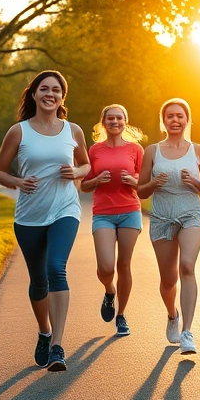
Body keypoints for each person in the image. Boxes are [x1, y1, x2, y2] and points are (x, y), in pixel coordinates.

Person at [0, 70, 90, 372]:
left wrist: (75, 172)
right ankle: (45, 332)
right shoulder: (19, 131)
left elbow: (86, 164)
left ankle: (58, 346)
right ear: (34, 94)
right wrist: (18, 183)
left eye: (57, 90)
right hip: (29, 216)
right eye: (45, 89)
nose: (51, 94)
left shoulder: (72, 130)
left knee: (55, 268)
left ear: (62, 97)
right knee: (38, 281)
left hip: (65, 209)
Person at [138, 98, 200, 355]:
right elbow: (140, 191)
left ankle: (187, 332)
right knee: (169, 279)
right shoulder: (152, 151)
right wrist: (153, 184)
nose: (175, 120)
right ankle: (173, 314)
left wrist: (195, 182)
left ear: (187, 120)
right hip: (162, 216)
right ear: (164, 121)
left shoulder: (199, 151)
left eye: (180, 116)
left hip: (191, 212)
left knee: (187, 266)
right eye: (170, 116)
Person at [80, 104, 145, 338]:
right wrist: (96, 179)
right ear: (103, 122)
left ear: (125, 122)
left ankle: (121, 316)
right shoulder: (95, 150)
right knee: (106, 267)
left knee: (124, 265)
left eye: (119, 118)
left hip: (129, 210)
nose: (114, 121)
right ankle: (109, 291)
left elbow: (146, 184)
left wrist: (134, 181)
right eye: (110, 118)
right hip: (103, 213)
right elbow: (84, 185)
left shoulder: (136, 150)